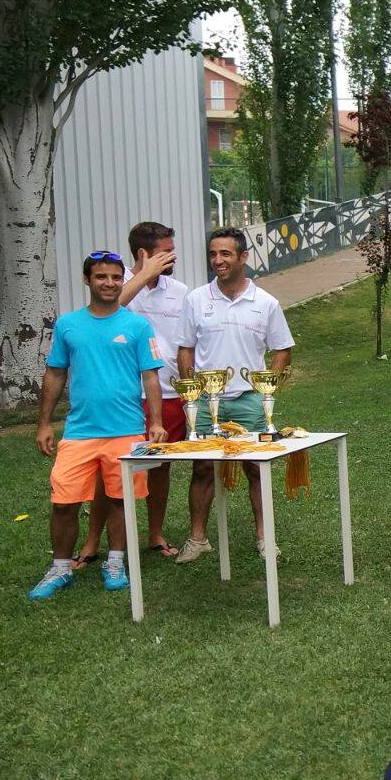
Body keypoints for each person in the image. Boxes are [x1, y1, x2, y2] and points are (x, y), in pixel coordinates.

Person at [30, 251, 167, 600]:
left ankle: (115, 564)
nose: (109, 283)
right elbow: (55, 374)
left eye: (116, 277)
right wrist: (44, 423)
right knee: (63, 502)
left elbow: (150, 377)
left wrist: (156, 422)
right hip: (80, 432)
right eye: (101, 277)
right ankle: (60, 569)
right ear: (87, 280)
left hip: (127, 431)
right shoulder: (68, 325)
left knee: (122, 501)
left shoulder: (137, 326)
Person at [75, 220, 192, 566]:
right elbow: (108, 312)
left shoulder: (180, 291)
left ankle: (155, 534)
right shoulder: (115, 283)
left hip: (168, 393)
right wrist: (142, 277)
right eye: (165, 252)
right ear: (144, 254)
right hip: (124, 395)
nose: (173, 257)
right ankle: (92, 542)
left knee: (160, 467)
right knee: (108, 471)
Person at [174, 227, 294, 562]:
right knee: (202, 468)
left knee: (256, 468)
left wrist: (266, 387)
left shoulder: (266, 303)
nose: (218, 260)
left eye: (225, 254)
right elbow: (185, 348)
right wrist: (190, 394)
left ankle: (265, 538)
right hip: (204, 402)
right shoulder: (196, 299)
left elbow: (283, 349)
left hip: (249, 401)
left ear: (243, 257)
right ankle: (198, 539)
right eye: (213, 254)